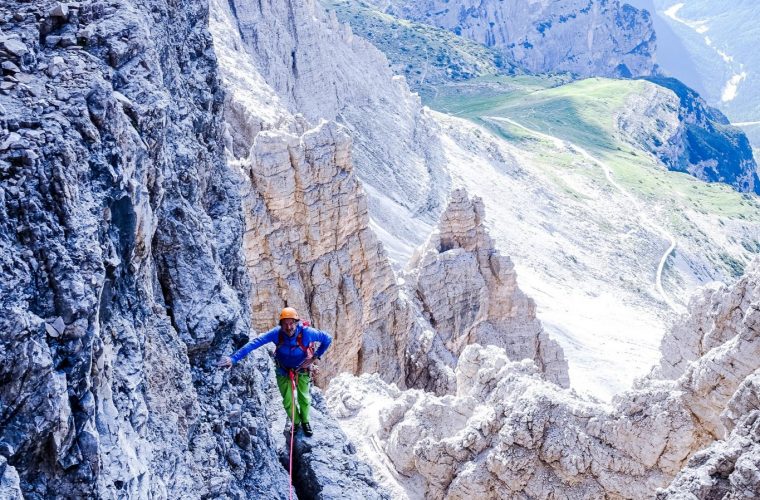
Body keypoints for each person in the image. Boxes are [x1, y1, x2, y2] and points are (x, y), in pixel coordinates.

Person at [217, 307, 332, 437]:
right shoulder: (276, 334)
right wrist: (233, 358)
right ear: (281, 325)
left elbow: (327, 338)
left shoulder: (307, 333)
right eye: (285, 324)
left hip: (302, 369)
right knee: (288, 400)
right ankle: (296, 422)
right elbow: (255, 343)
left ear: (296, 323)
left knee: (304, 398)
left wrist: (315, 357)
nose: (288, 327)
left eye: (291, 323)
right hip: (283, 369)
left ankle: (305, 421)